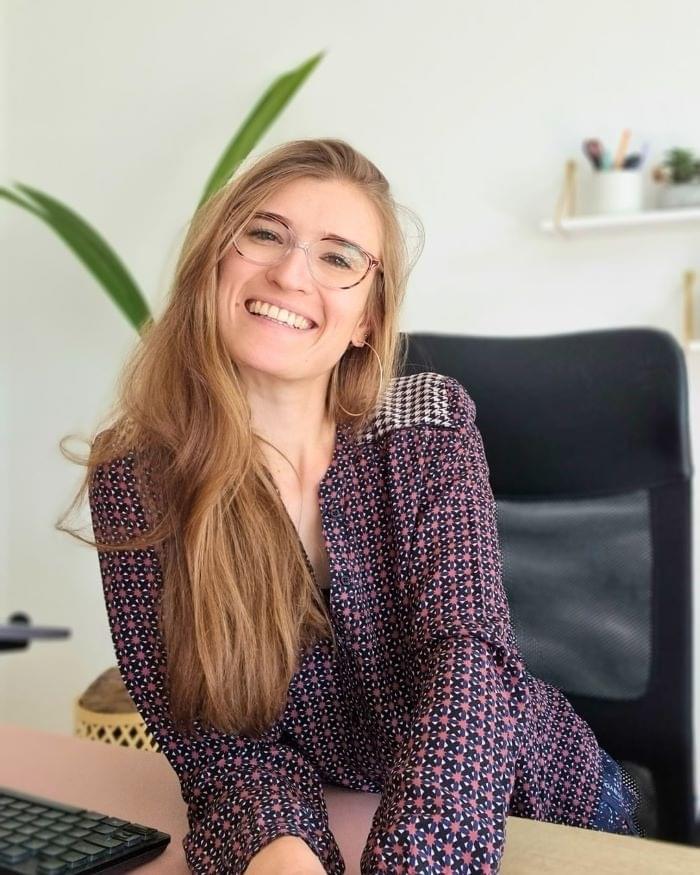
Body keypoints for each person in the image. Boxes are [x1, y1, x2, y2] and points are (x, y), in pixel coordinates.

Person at [60, 138, 641, 875]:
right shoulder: (135, 476)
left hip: (535, 808)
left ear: (368, 318)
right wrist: (280, 853)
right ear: (213, 265)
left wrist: (413, 862)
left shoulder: (426, 425)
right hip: (337, 811)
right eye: (264, 234)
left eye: (338, 257)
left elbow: (468, 663)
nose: (290, 273)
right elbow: (209, 740)